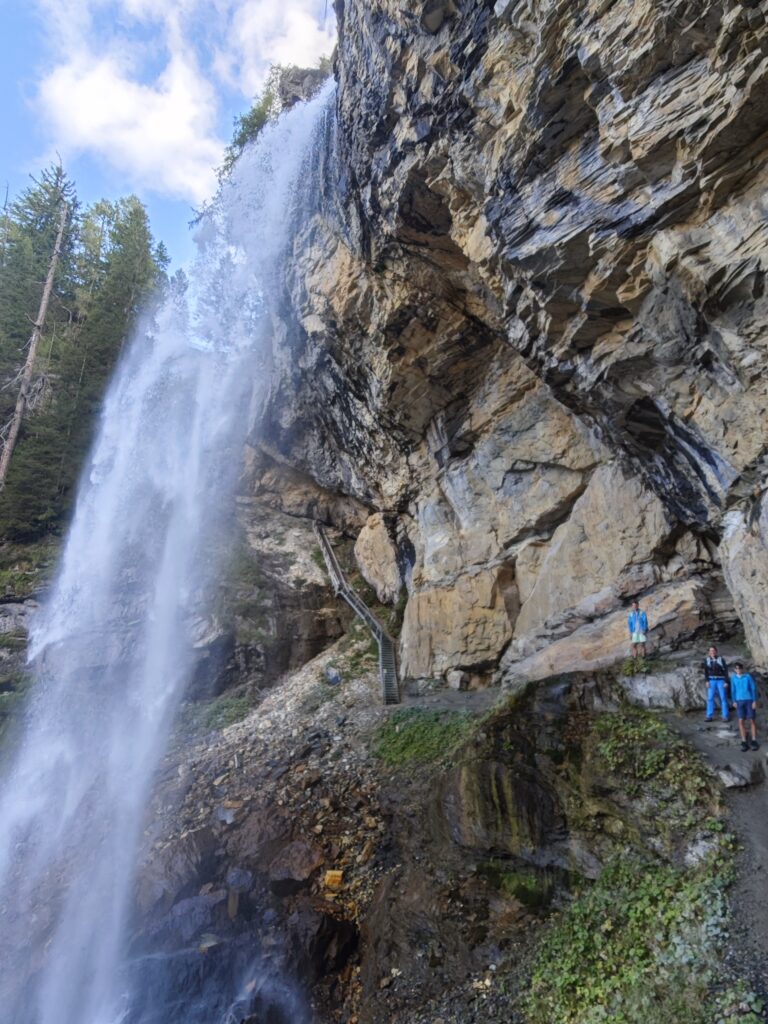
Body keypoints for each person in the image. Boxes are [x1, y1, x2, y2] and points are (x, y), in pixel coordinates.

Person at [730, 661, 758, 751]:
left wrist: (754, 701)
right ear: (734, 670)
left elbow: (753, 688)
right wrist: (734, 701)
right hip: (739, 701)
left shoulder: (747, 676)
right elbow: (733, 690)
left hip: (749, 700)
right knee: (741, 720)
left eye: (739, 668)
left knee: (752, 720)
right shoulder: (733, 678)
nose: (738, 670)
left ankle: (754, 740)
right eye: (736, 668)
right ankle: (744, 741)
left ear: (742, 669)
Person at [703, 645, 730, 723]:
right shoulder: (707, 660)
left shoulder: (721, 659)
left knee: (723, 697)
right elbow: (706, 672)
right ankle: (709, 716)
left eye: (713, 650)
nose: (712, 652)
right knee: (710, 698)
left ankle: (725, 716)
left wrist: (726, 681)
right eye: (711, 651)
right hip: (711, 680)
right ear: (709, 652)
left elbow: (726, 671)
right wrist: (707, 681)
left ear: (716, 651)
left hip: (721, 680)